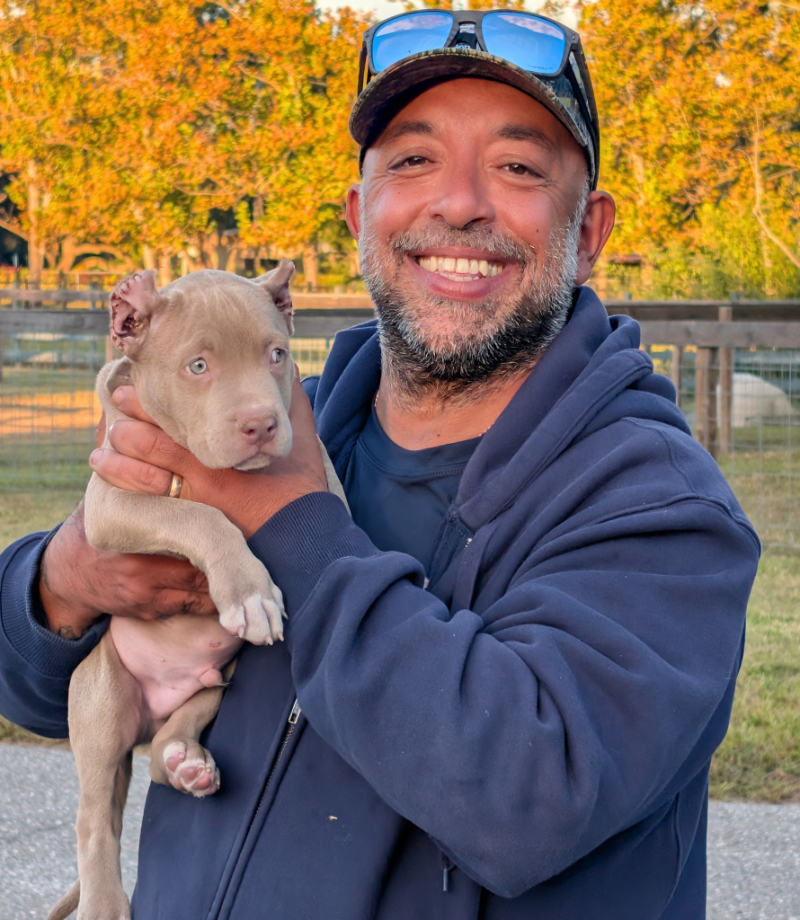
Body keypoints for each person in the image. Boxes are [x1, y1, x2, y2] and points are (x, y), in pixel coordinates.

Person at [0, 9, 759, 920]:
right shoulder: (284, 425)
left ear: (589, 233)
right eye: (412, 161)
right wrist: (70, 578)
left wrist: (289, 525)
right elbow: (34, 688)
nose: (459, 202)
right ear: (362, 216)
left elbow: (528, 803)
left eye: (517, 167)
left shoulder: (662, 510)